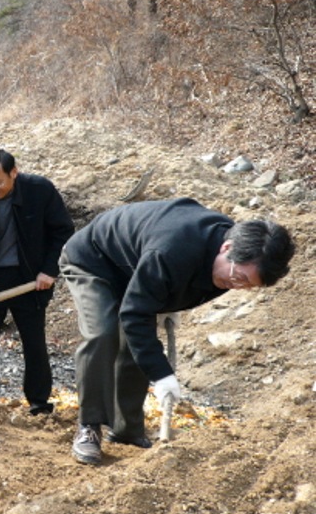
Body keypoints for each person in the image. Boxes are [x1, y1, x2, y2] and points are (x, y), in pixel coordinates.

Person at [59, 198, 295, 465]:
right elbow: (135, 313)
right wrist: (162, 376)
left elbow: (145, 309)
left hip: (139, 268)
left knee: (136, 346)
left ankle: (127, 430)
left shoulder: (229, 261)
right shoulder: (173, 250)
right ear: (226, 248)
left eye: (249, 285)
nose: (237, 286)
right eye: (239, 278)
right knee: (103, 333)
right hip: (94, 261)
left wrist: (167, 301)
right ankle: (89, 426)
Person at [0, 149, 74, 414]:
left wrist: (49, 270)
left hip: (31, 279)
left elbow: (63, 232)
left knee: (34, 341)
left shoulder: (40, 191)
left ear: (14, 172)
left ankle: (39, 402)